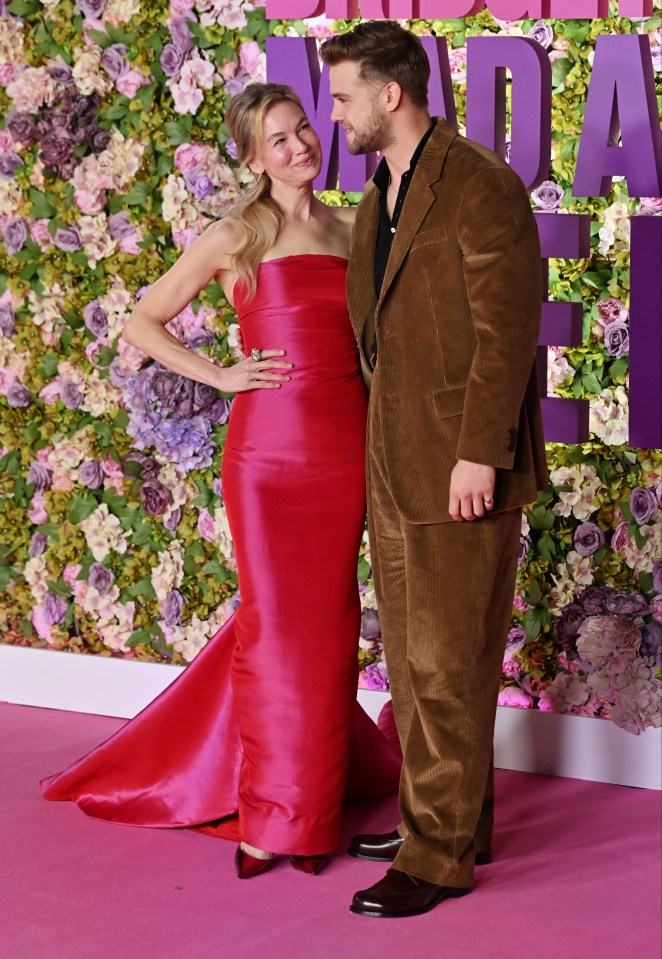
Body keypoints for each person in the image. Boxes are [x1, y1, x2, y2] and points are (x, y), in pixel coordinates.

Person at [41, 82, 400, 879]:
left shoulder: (353, 230)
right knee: (274, 625)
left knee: (333, 622)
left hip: (345, 450)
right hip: (268, 459)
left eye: (303, 128)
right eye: (278, 139)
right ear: (251, 157)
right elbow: (142, 319)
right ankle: (272, 820)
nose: (300, 145)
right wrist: (222, 374)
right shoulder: (237, 233)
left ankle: (312, 804)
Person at [319, 22, 548, 917]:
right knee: (416, 666)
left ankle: (438, 856)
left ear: (391, 95)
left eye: (342, 96)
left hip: (460, 466)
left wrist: (477, 454)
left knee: (447, 663)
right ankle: (449, 816)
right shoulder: (382, 191)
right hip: (396, 460)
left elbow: (507, 332)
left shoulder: (479, 185)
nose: (334, 114)